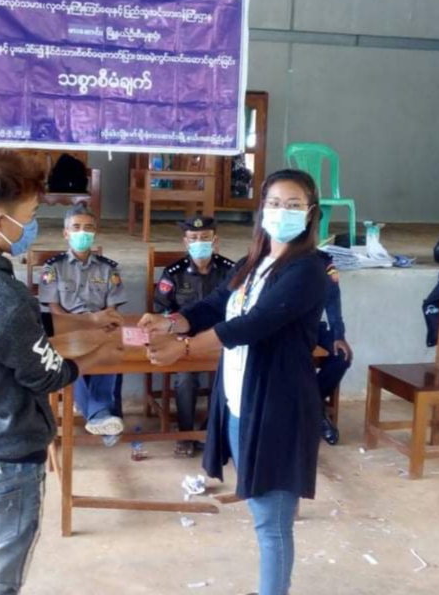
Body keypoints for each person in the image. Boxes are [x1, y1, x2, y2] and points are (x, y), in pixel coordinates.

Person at [0, 149, 123, 595]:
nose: (31, 227)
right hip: (5, 458)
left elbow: (22, 324)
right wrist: (101, 353)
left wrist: (87, 323)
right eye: (29, 216)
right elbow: (48, 375)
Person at [140, 169, 327, 595]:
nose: (282, 212)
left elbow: (253, 324)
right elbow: (215, 304)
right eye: (274, 203)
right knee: (262, 508)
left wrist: (185, 349)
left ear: (310, 213)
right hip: (242, 401)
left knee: (272, 522)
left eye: (293, 204)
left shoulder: (307, 271)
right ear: (262, 209)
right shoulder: (253, 263)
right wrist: (172, 322)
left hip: (278, 407)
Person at [39, 203, 127, 446]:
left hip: (101, 328)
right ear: (66, 233)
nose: (82, 233)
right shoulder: (53, 267)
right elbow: (54, 310)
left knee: (111, 348)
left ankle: (100, 415)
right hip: (66, 329)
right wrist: (82, 324)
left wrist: (102, 325)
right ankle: (102, 415)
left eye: (88, 228)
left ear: (95, 232)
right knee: (71, 353)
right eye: (76, 227)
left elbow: (112, 310)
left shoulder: (108, 268)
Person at [153, 215, 235, 457]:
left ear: (215, 241)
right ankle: (186, 433)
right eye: (194, 238)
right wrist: (176, 333)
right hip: (185, 339)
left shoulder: (230, 271)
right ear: (186, 242)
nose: (200, 242)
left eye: (205, 237)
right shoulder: (174, 273)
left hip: (219, 339)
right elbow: (162, 309)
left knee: (228, 375)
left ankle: (211, 430)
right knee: (186, 378)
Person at [316, 250, 353, 445]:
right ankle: (315, 409)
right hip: (286, 329)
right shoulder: (278, 256)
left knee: (342, 356)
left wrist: (339, 335)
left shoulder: (323, 261)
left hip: (313, 327)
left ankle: (313, 403)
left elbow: (332, 299)